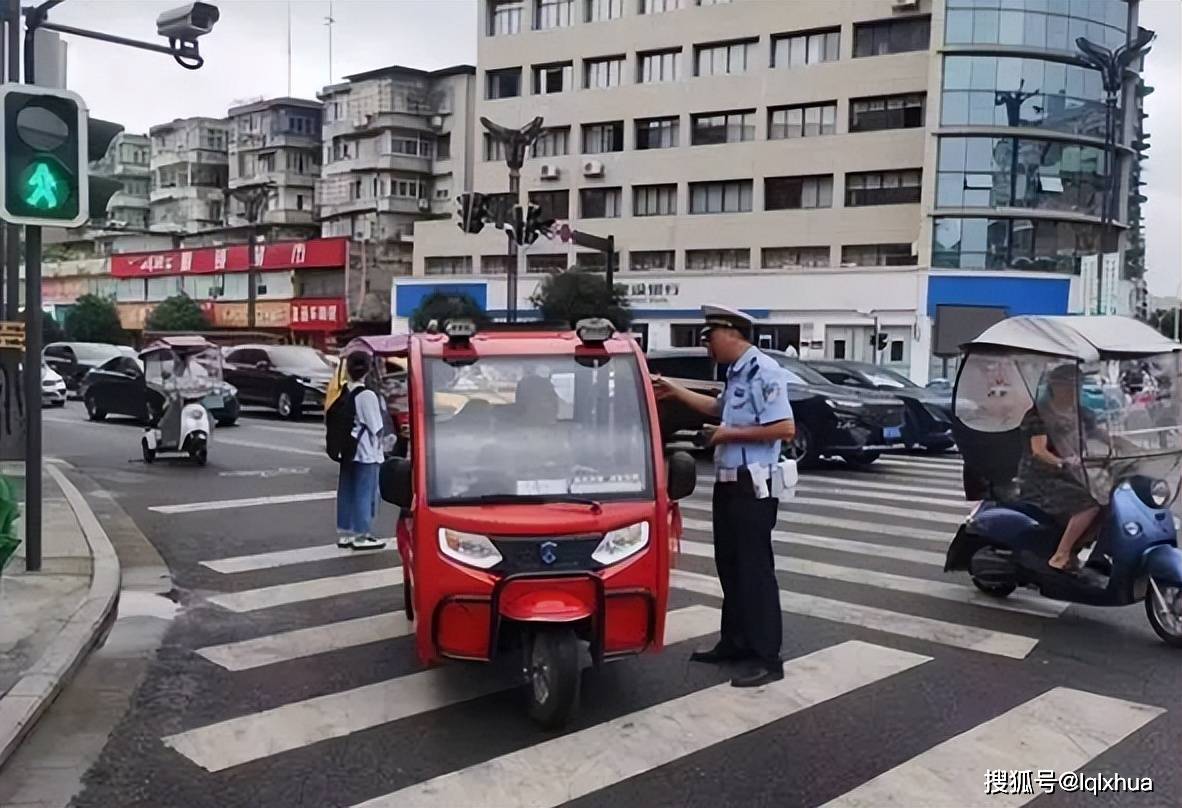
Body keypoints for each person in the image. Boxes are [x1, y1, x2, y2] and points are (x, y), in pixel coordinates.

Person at [653, 305, 795, 687]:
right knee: (729, 565)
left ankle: (767, 656)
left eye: (710, 338)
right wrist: (675, 391)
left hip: (754, 484)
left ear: (733, 334)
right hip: (729, 481)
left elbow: (784, 427)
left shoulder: (765, 371)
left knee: (755, 571)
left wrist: (725, 435)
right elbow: (720, 409)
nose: (708, 347)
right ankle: (735, 641)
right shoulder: (736, 373)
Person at [1018, 364, 1099, 572]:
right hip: (1043, 476)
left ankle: (1078, 547)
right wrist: (1062, 462)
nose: (1074, 390)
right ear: (1054, 385)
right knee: (1090, 503)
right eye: (1068, 385)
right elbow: (1039, 451)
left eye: (1077, 384)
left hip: (1074, 473)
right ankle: (1061, 554)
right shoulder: (1039, 414)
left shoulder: (1080, 413)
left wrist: (1129, 446)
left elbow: (1102, 435)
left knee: (1111, 502)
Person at [336, 352, 386, 551]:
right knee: (365, 492)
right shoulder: (367, 395)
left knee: (347, 490)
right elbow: (376, 427)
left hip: (346, 450)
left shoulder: (342, 392)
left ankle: (345, 533)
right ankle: (362, 533)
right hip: (366, 451)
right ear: (367, 369)